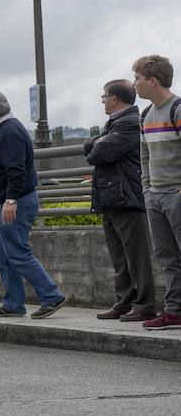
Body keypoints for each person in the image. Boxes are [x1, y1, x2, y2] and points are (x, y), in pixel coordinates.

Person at [0, 90, 66, 319]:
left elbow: (16, 170)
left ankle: (51, 295)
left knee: (18, 253)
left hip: (15, 201)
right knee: (4, 256)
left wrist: (11, 199)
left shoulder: (10, 132)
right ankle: (13, 303)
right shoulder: (0, 131)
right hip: (7, 200)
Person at [83, 79, 156, 321]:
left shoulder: (127, 123)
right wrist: (96, 141)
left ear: (115, 99)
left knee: (136, 255)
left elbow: (99, 154)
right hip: (112, 196)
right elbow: (94, 147)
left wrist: (97, 143)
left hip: (127, 196)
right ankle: (124, 301)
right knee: (119, 255)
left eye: (104, 96)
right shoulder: (115, 123)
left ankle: (144, 304)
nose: (102, 101)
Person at [133, 55, 181, 330]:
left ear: (153, 80)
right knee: (166, 257)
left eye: (138, 78)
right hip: (156, 196)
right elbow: (144, 156)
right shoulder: (146, 115)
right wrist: (147, 189)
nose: (135, 84)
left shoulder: (177, 108)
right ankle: (174, 311)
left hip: (175, 195)